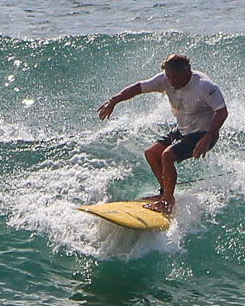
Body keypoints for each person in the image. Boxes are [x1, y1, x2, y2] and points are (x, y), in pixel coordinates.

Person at [97, 53, 228, 214]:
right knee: (151, 154)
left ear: (187, 73)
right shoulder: (166, 79)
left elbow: (222, 112)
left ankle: (166, 202)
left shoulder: (205, 86)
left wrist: (207, 137)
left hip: (204, 133)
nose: (170, 82)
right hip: (183, 130)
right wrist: (114, 100)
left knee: (167, 155)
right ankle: (165, 193)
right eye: (168, 76)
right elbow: (138, 88)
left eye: (174, 77)